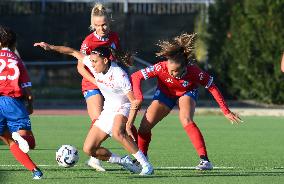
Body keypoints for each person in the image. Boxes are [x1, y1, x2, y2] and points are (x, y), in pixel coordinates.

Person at [34, 42, 153, 175]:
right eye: (91, 61)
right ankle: (123, 161)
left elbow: (134, 102)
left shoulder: (119, 74)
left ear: (105, 60)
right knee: (89, 149)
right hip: (108, 109)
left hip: (122, 106)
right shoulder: (94, 63)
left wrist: (129, 124)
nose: (92, 64)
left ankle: (146, 165)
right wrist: (51, 47)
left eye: (95, 61)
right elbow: (73, 52)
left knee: (118, 132)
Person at [130, 33, 242, 170]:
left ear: (184, 67)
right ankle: (142, 158)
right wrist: (139, 97)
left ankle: (205, 161)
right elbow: (136, 76)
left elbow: (212, 87)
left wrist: (226, 111)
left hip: (186, 92)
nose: (172, 73)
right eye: (170, 69)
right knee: (144, 127)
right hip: (165, 94)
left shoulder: (194, 72)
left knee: (185, 119)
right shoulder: (161, 67)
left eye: (176, 71)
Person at [77, 3, 137, 171]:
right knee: (98, 120)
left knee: (115, 122)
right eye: (97, 25)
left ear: (109, 22)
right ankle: (94, 155)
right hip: (92, 84)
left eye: (104, 24)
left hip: (111, 84)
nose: (101, 28)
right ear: (92, 25)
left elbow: (114, 59)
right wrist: (96, 81)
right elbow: (80, 67)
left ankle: (97, 154)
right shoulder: (88, 42)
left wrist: (127, 60)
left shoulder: (114, 37)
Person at [0, 25, 43, 179]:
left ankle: (36, 171)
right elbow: (26, 87)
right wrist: (30, 104)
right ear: (14, 44)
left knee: (9, 140)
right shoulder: (16, 59)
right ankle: (35, 170)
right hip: (13, 102)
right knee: (29, 142)